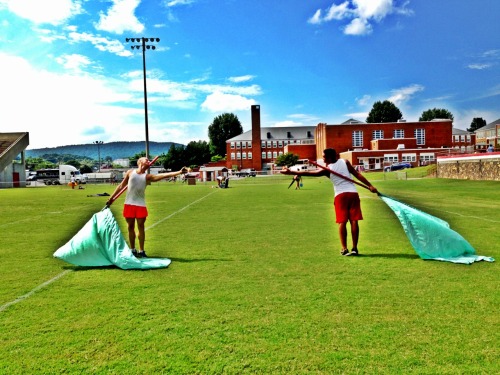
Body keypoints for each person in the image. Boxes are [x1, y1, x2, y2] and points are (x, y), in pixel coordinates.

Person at [281, 148, 378, 256]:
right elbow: (357, 174)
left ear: (330, 157)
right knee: (354, 221)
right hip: (353, 194)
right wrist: (370, 185)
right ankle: (354, 248)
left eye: (324, 157)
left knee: (342, 222)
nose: (323, 159)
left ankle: (344, 248)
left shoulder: (327, 169)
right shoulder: (344, 162)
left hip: (341, 196)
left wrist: (290, 172)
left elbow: (309, 173)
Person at [106, 157, 188, 258]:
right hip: (129, 204)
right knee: (130, 227)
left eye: (149, 160)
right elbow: (121, 186)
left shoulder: (147, 177)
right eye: (146, 160)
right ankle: (132, 250)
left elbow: (162, 175)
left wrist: (179, 172)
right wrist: (111, 198)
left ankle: (141, 251)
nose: (148, 161)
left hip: (140, 205)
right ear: (139, 162)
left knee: (141, 227)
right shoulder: (130, 172)